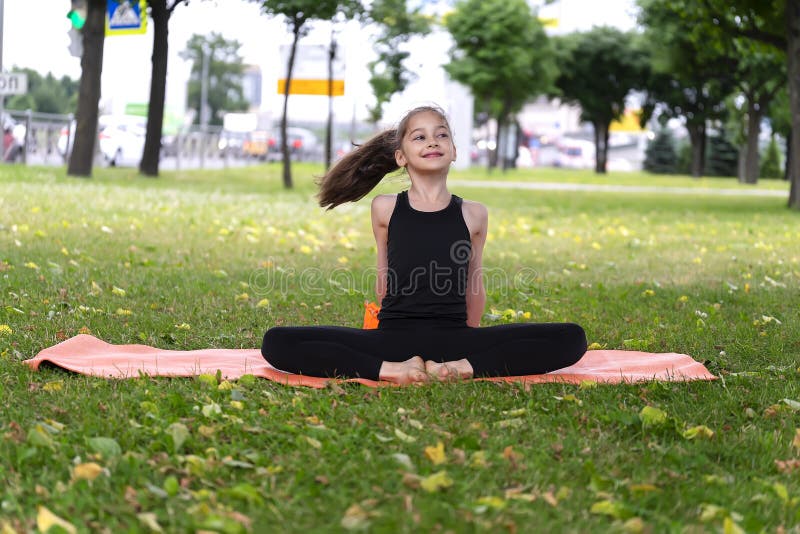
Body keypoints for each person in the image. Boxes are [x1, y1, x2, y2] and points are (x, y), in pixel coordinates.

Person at [261, 105, 587, 385]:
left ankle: (462, 369)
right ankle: (391, 371)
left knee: (572, 338)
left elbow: (475, 283)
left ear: (455, 151)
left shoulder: (474, 214)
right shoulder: (385, 208)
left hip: (455, 339)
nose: (433, 141)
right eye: (420, 136)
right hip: (392, 338)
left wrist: (471, 345)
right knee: (276, 342)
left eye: (442, 134)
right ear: (401, 156)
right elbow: (383, 281)